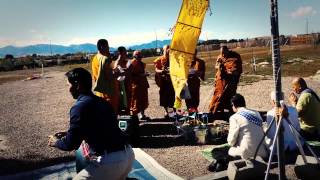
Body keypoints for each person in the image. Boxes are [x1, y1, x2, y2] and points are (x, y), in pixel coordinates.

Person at [48, 68, 134, 179]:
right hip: (128, 156)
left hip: (109, 162)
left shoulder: (78, 107)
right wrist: (69, 132)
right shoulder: (103, 102)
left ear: (77, 85)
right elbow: (103, 126)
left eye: (68, 85)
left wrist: (56, 142)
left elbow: (71, 144)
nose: (68, 89)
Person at [208, 94, 267, 172]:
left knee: (216, 151)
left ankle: (221, 163)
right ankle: (220, 163)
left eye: (231, 105)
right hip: (262, 153)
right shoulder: (256, 113)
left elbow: (231, 142)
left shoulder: (234, 117)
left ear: (233, 105)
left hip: (247, 154)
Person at [209, 46, 242, 114]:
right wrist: (219, 66)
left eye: (224, 53)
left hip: (231, 80)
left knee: (229, 95)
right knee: (218, 94)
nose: (223, 55)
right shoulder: (220, 56)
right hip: (221, 80)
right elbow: (216, 66)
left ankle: (231, 110)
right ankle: (217, 110)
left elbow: (237, 69)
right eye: (221, 53)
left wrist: (231, 71)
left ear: (228, 50)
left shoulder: (235, 56)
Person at [91, 39, 120, 113]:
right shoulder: (105, 59)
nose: (109, 48)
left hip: (100, 90)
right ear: (102, 47)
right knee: (111, 112)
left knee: (103, 112)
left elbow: (101, 73)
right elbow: (109, 77)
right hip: (109, 92)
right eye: (107, 46)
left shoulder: (95, 58)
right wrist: (118, 73)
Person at [154, 45, 176, 118]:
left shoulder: (173, 59)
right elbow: (156, 69)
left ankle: (173, 113)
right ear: (163, 50)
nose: (168, 50)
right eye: (166, 49)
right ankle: (166, 112)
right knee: (164, 98)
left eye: (169, 49)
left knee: (172, 97)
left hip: (172, 82)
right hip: (163, 82)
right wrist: (162, 71)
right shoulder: (159, 59)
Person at [129, 50, 150, 119]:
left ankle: (142, 115)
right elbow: (131, 75)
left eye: (140, 56)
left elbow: (142, 72)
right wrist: (142, 75)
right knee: (136, 101)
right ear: (134, 56)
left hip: (143, 84)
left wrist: (144, 74)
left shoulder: (141, 63)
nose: (140, 57)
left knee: (143, 100)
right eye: (138, 56)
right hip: (136, 85)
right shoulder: (132, 63)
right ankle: (135, 116)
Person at [114, 46, 132, 115]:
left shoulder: (126, 61)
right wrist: (126, 71)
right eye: (124, 52)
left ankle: (127, 113)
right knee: (123, 101)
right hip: (122, 85)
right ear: (120, 53)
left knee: (128, 100)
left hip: (127, 84)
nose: (126, 53)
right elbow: (117, 73)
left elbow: (130, 70)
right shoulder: (117, 62)